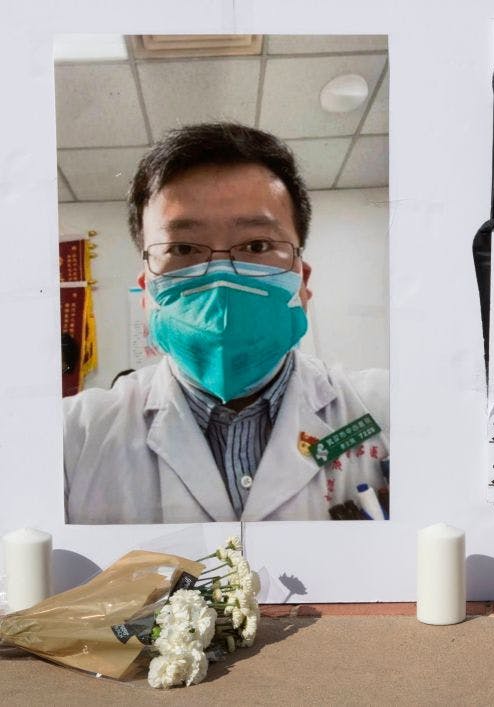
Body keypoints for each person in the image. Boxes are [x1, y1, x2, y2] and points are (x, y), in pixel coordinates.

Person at [63, 123, 389, 524]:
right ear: (147, 292)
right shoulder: (72, 439)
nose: (220, 279)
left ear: (302, 282)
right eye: (183, 248)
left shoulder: (393, 411)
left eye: (257, 245)